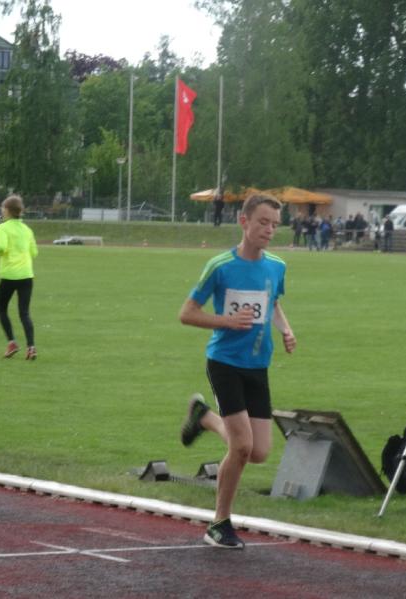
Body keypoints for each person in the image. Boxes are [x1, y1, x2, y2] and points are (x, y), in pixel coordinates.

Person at [178, 193, 297, 549]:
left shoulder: (277, 266)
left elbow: (273, 301)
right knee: (242, 446)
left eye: (275, 225)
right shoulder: (220, 266)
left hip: (258, 366)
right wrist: (227, 321)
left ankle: (204, 417)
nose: (269, 230)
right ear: (243, 221)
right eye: (263, 222)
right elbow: (187, 314)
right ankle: (219, 523)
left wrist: (285, 329)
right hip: (225, 363)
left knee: (258, 452)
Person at [0, 195, 39, 360]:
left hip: (9, 274)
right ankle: (31, 347)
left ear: (7, 210)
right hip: (26, 275)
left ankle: (12, 342)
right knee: (24, 312)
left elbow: (1, 247)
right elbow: (34, 252)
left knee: (2, 309)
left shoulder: (2, 228)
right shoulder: (27, 230)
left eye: (3, 208)